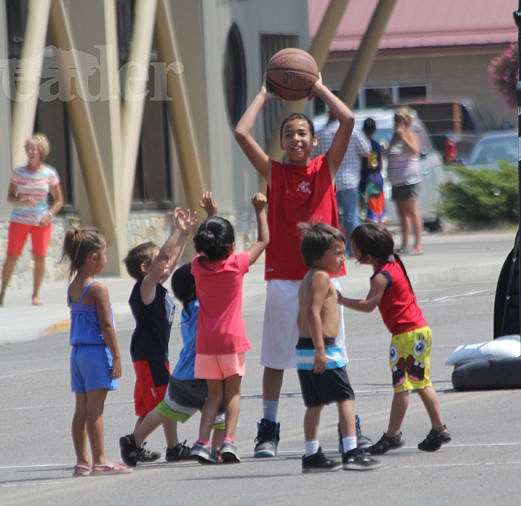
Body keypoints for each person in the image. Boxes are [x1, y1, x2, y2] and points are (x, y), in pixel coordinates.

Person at [234, 76, 370, 458]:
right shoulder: (275, 173)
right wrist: (263, 94)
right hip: (283, 277)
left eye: (302, 134)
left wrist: (320, 89)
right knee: (277, 358)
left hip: (326, 280)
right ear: (282, 142)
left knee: (334, 353)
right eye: (289, 133)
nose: (296, 139)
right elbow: (242, 133)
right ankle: (269, 429)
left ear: (314, 141)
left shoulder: (326, 168)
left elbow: (346, 121)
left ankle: (350, 428)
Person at [338, 223, 451, 454]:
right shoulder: (394, 263)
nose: (352, 252)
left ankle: (392, 435)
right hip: (419, 330)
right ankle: (439, 428)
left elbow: (369, 305)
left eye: (355, 248)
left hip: (406, 335)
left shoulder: (381, 277)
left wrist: (340, 300)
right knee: (421, 382)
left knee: (403, 387)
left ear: (367, 255)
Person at [189, 192, 270, 464]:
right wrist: (260, 210)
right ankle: (229, 443)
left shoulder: (197, 268)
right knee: (233, 393)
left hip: (206, 343)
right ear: (232, 246)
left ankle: (201, 443)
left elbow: (208, 247)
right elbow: (263, 241)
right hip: (231, 341)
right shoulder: (236, 265)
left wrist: (211, 215)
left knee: (213, 397)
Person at [296, 222, 381, 472]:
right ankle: (351, 451)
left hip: (304, 347)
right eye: (337, 253)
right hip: (323, 348)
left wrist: (307, 347)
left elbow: (301, 316)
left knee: (314, 404)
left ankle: (312, 455)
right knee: (346, 398)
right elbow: (312, 312)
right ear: (318, 256)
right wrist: (320, 349)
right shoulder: (322, 277)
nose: (343, 258)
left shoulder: (308, 278)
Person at [118, 207, 197, 464]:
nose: (166, 263)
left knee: (159, 403)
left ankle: (166, 446)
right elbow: (164, 256)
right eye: (157, 260)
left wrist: (184, 235)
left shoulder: (157, 286)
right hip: (149, 356)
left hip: (154, 355)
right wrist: (176, 230)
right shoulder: (146, 287)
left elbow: (168, 261)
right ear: (145, 268)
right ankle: (134, 443)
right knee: (167, 402)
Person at [62, 226, 131, 476]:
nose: (105, 260)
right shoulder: (97, 289)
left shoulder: (73, 287)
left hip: (77, 354)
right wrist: (118, 355)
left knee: (80, 410)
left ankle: (82, 461)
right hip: (95, 353)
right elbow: (106, 325)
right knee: (95, 411)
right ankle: (100, 459)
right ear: (93, 258)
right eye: (103, 255)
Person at [0, 133, 64, 307]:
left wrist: (49, 215)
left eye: (33, 148)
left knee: (39, 257)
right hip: (19, 219)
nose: (30, 151)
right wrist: (21, 200)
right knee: (12, 256)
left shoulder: (50, 173)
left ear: (41, 150)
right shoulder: (18, 172)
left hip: (41, 221)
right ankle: (1, 294)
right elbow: (9, 197)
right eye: (28, 148)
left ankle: (35, 295)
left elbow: (59, 200)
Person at [311, 110, 371, 256]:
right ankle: (354, 249)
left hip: (329, 181)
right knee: (351, 216)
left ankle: (331, 250)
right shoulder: (354, 133)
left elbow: (314, 156)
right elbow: (367, 150)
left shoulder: (322, 134)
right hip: (350, 180)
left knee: (331, 217)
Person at [386, 107, 424, 255]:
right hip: (397, 180)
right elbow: (390, 154)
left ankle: (418, 245)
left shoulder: (410, 134)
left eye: (399, 119)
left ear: (406, 121)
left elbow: (415, 151)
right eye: (395, 119)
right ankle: (405, 243)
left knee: (412, 212)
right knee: (402, 214)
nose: (397, 122)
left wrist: (403, 136)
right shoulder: (394, 137)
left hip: (409, 179)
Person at [359, 117, 387, 224]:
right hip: (377, 178)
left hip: (367, 179)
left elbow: (368, 165)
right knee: (378, 208)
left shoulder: (365, 145)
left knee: (368, 209)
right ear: (374, 130)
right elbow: (378, 165)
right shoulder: (375, 145)